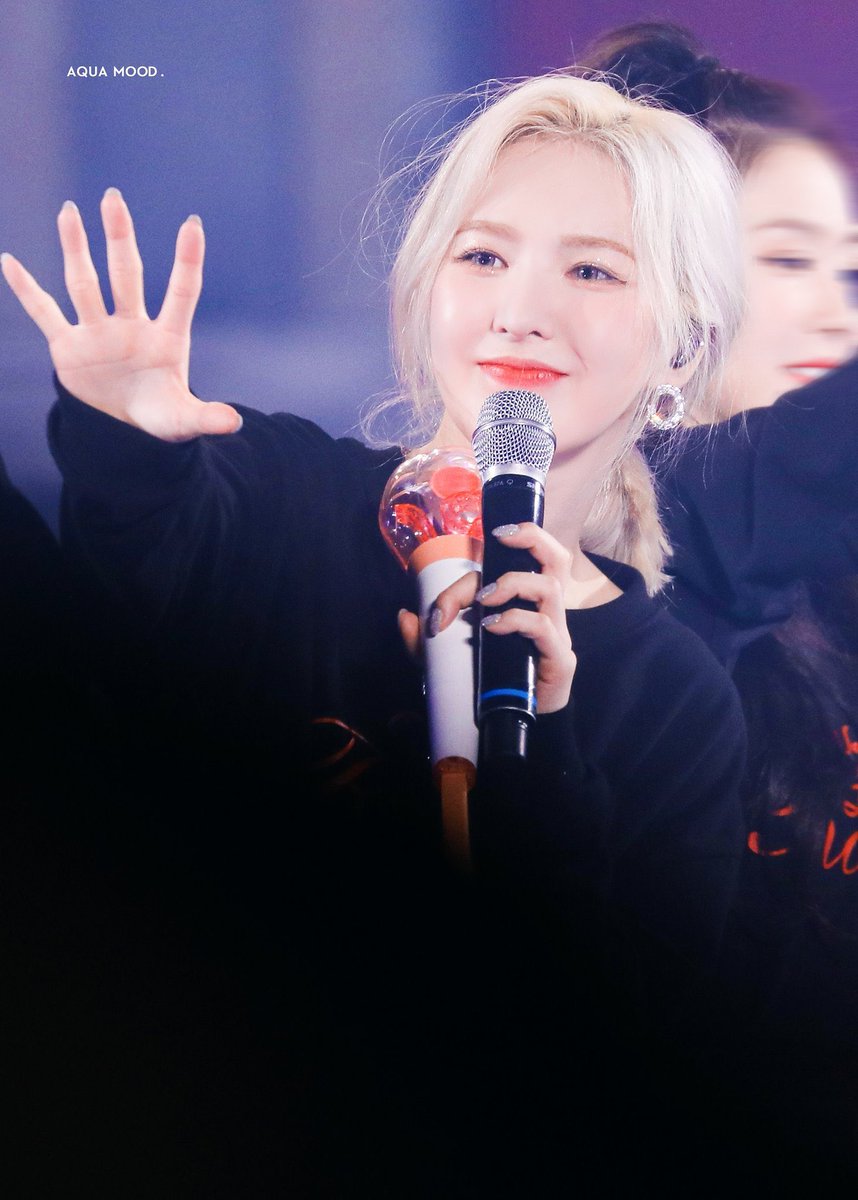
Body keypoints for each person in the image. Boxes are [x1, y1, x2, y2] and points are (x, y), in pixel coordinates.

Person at [2, 75, 749, 1189]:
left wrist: (537, 756)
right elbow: (142, 563)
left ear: (683, 347)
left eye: (591, 271)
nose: (519, 310)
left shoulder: (675, 702)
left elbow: (631, 1069)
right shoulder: (279, 491)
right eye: (483, 256)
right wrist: (125, 441)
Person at [580, 21, 858, 1178]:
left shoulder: (826, 562)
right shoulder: (618, 539)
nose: (839, 312)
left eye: (851, 270)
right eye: (787, 261)